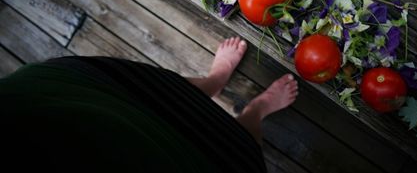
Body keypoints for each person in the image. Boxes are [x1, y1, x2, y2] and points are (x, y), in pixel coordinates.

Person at [0, 37, 298, 172]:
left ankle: (214, 81)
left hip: (46, 107)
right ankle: (253, 112)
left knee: (159, 91)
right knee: (235, 151)